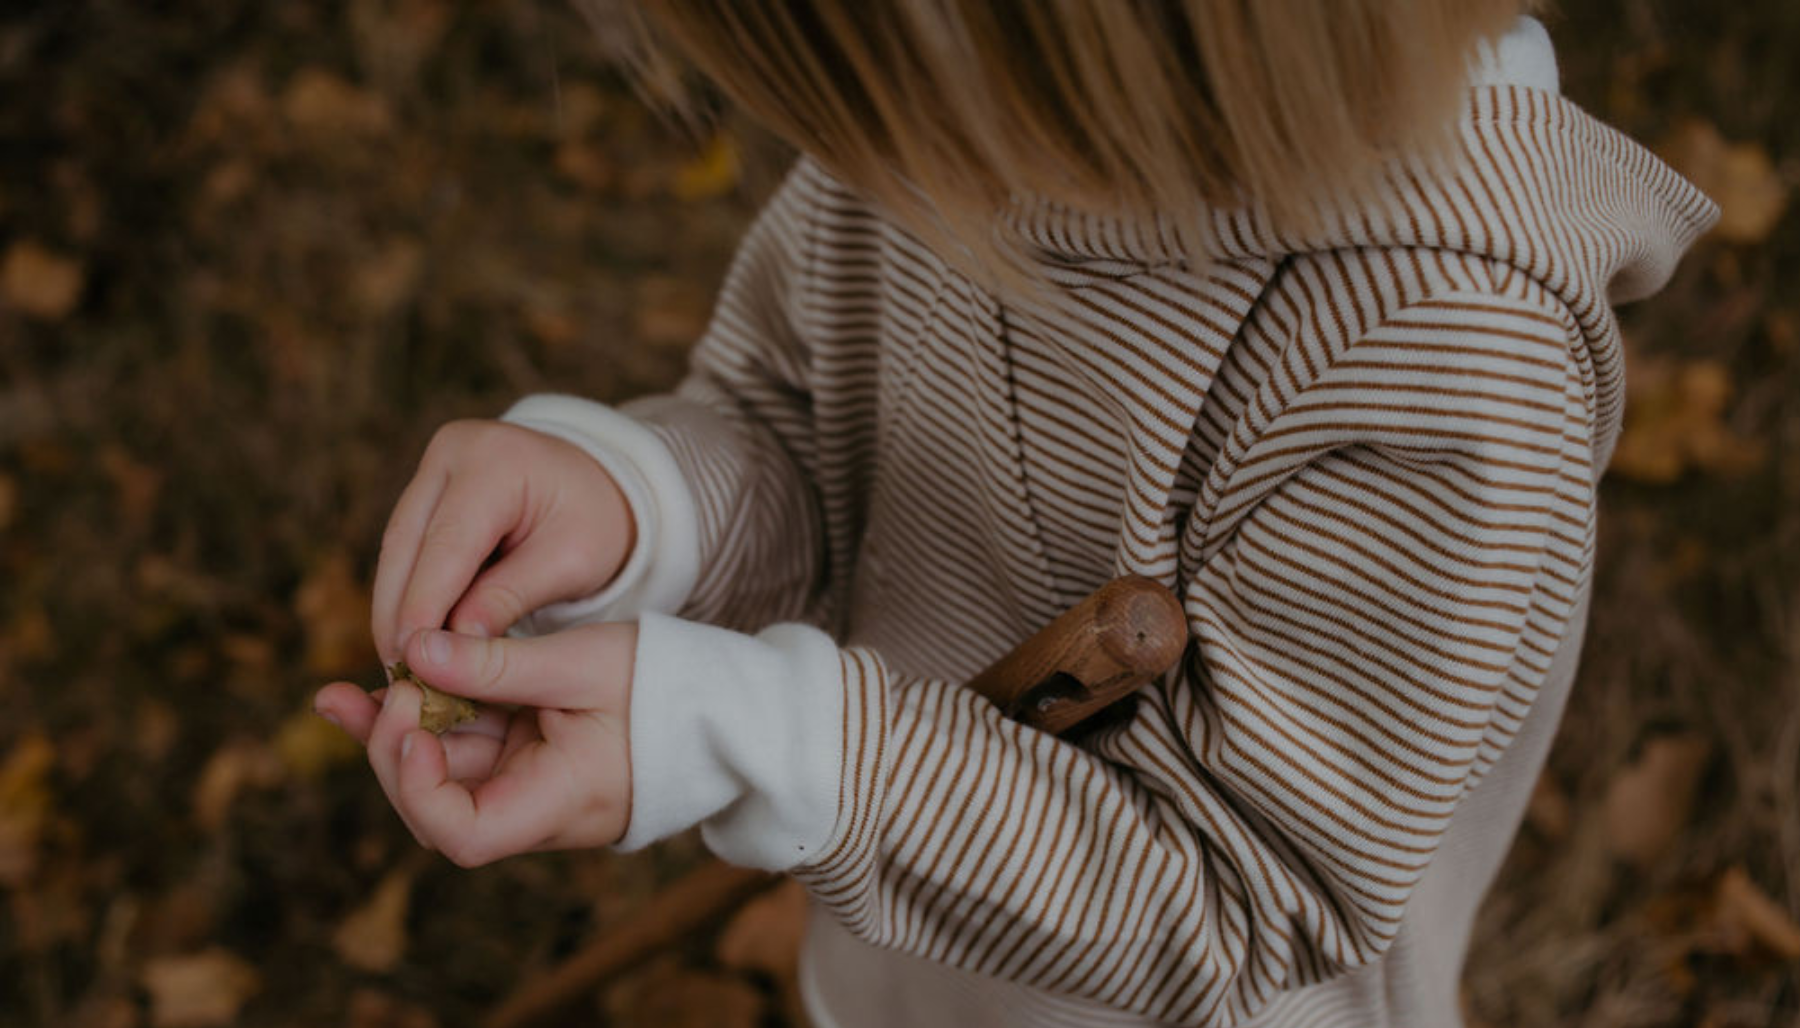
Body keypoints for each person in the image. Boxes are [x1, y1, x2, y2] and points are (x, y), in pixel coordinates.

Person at [315, 3, 1717, 1024]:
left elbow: (1242, 892)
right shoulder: (957, 91)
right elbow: (801, 406)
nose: (879, 157)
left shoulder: (1442, 357)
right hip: (902, 951)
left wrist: (755, 737)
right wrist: (646, 502)